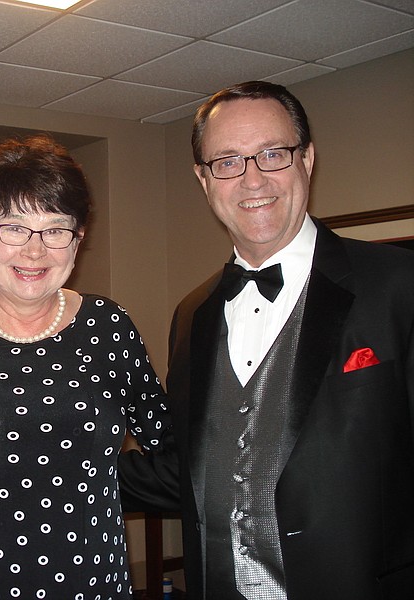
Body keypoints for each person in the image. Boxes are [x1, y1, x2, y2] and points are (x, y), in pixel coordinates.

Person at [118, 81, 414, 599]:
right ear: (204, 179)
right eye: (227, 161)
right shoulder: (192, 314)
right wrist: (51, 460)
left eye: (272, 154)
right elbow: (192, 466)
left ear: (308, 160)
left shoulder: (398, 285)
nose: (252, 179)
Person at [0, 134, 171, 599]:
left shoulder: (109, 327)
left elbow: (168, 447)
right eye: (14, 227)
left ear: (77, 242)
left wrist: (95, 479)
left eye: (55, 230)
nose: (34, 251)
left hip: (92, 582)